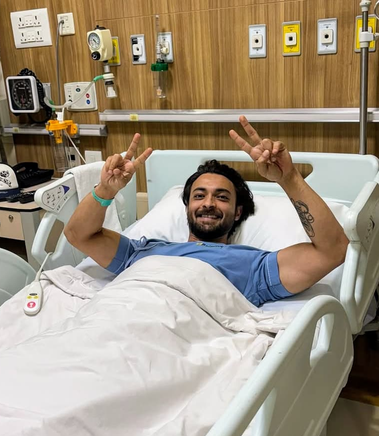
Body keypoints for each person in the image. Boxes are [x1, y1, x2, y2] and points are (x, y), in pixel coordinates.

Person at [65, 117, 348, 307]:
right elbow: (79, 235)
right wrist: (105, 190)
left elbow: (332, 251)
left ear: (237, 213)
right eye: (199, 196)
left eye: (222, 197)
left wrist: (290, 178)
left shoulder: (253, 266)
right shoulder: (140, 251)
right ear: (187, 207)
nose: (209, 203)